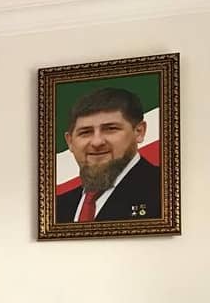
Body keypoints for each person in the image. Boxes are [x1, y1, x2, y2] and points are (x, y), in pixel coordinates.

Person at [55, 87, 161, 223]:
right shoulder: (57, 207)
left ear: (139, 132)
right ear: (70, 142)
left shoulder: (165, 191)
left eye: (110, 129)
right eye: (85, 132)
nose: (97, 142)